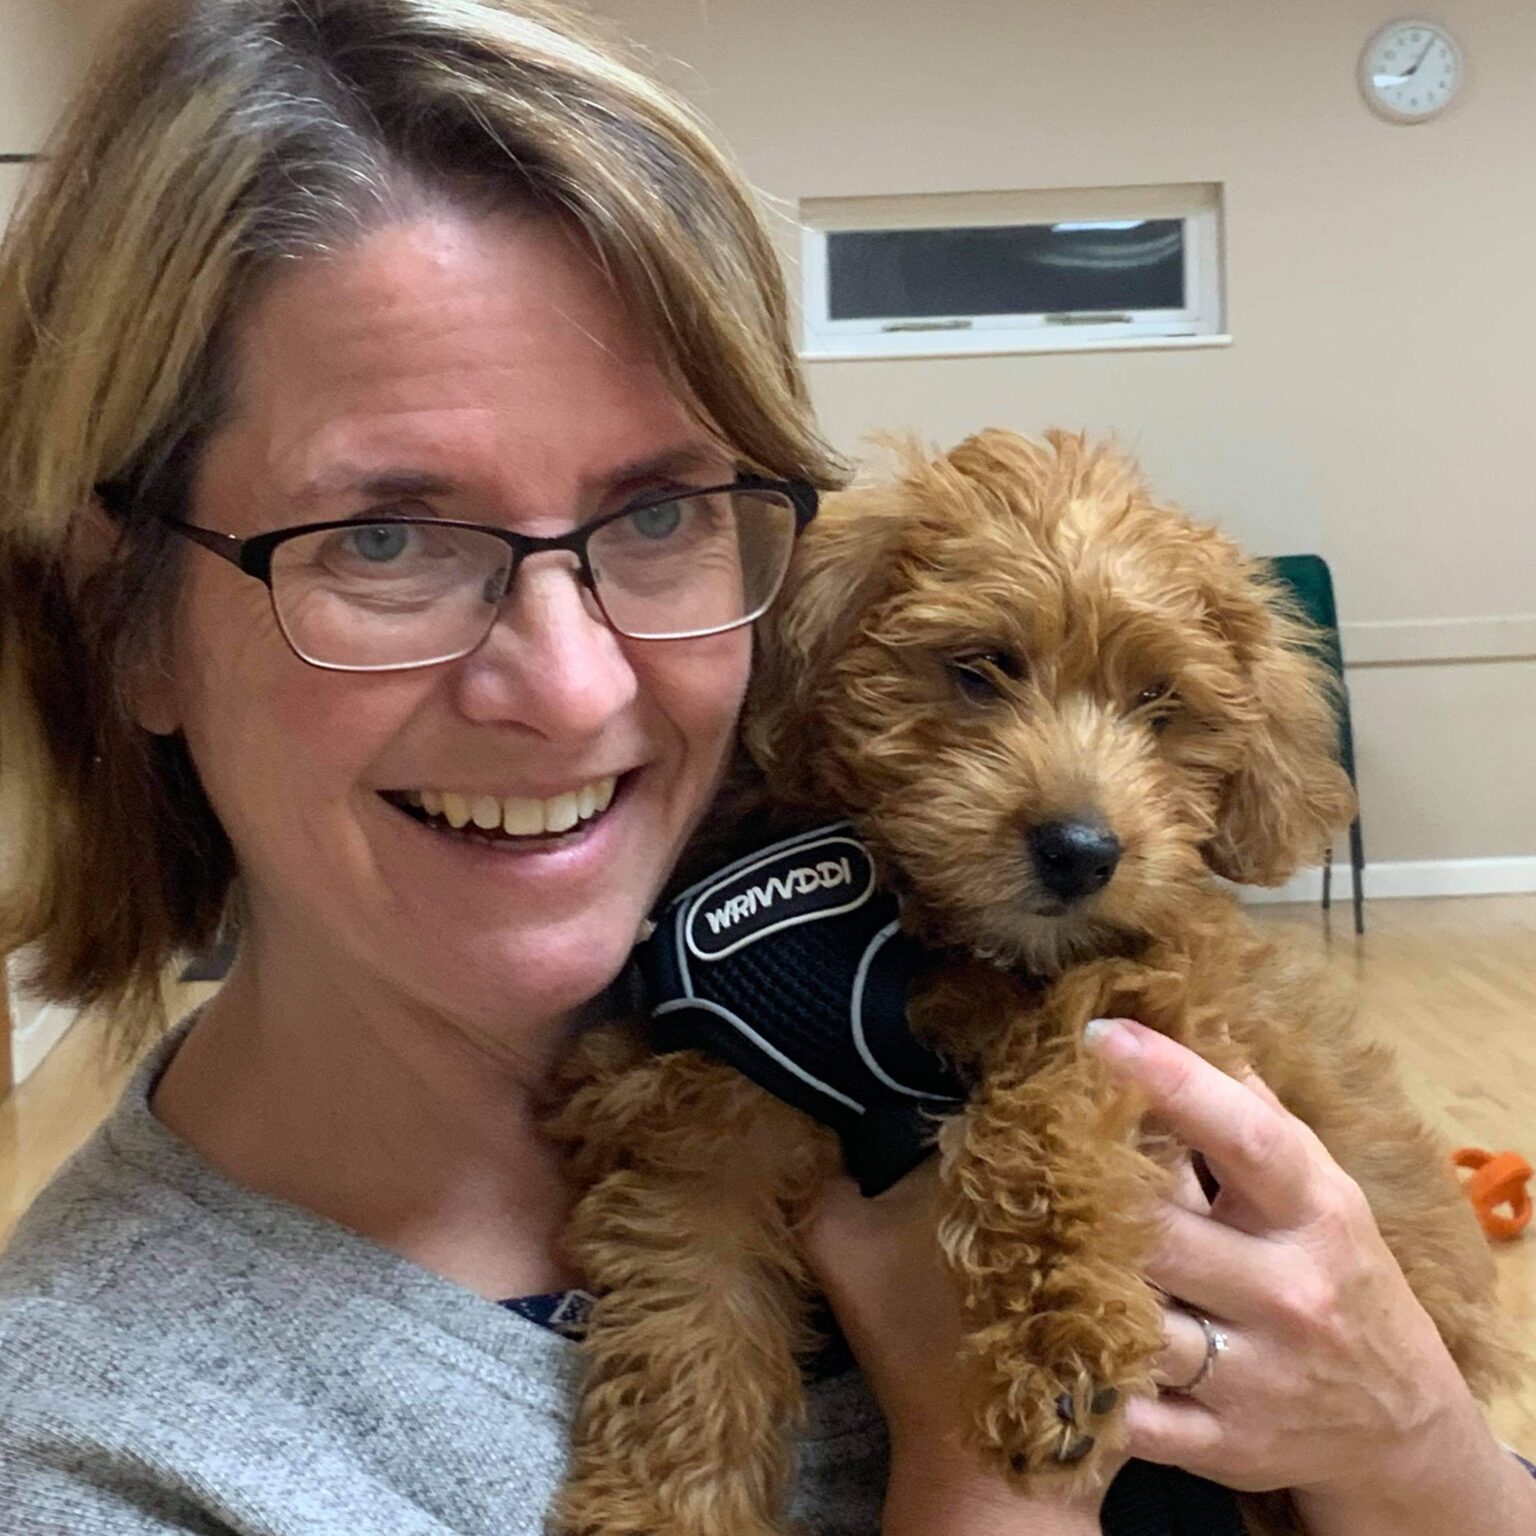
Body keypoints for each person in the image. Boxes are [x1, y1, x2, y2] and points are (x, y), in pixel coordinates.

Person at [0, 2, 1529, 1532]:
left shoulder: (773, 962)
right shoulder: (99, 1464)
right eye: (385, 537)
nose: (572, 685)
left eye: (660, 513)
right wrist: (986, 1465)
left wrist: (1410, 1439)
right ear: (122, 618)